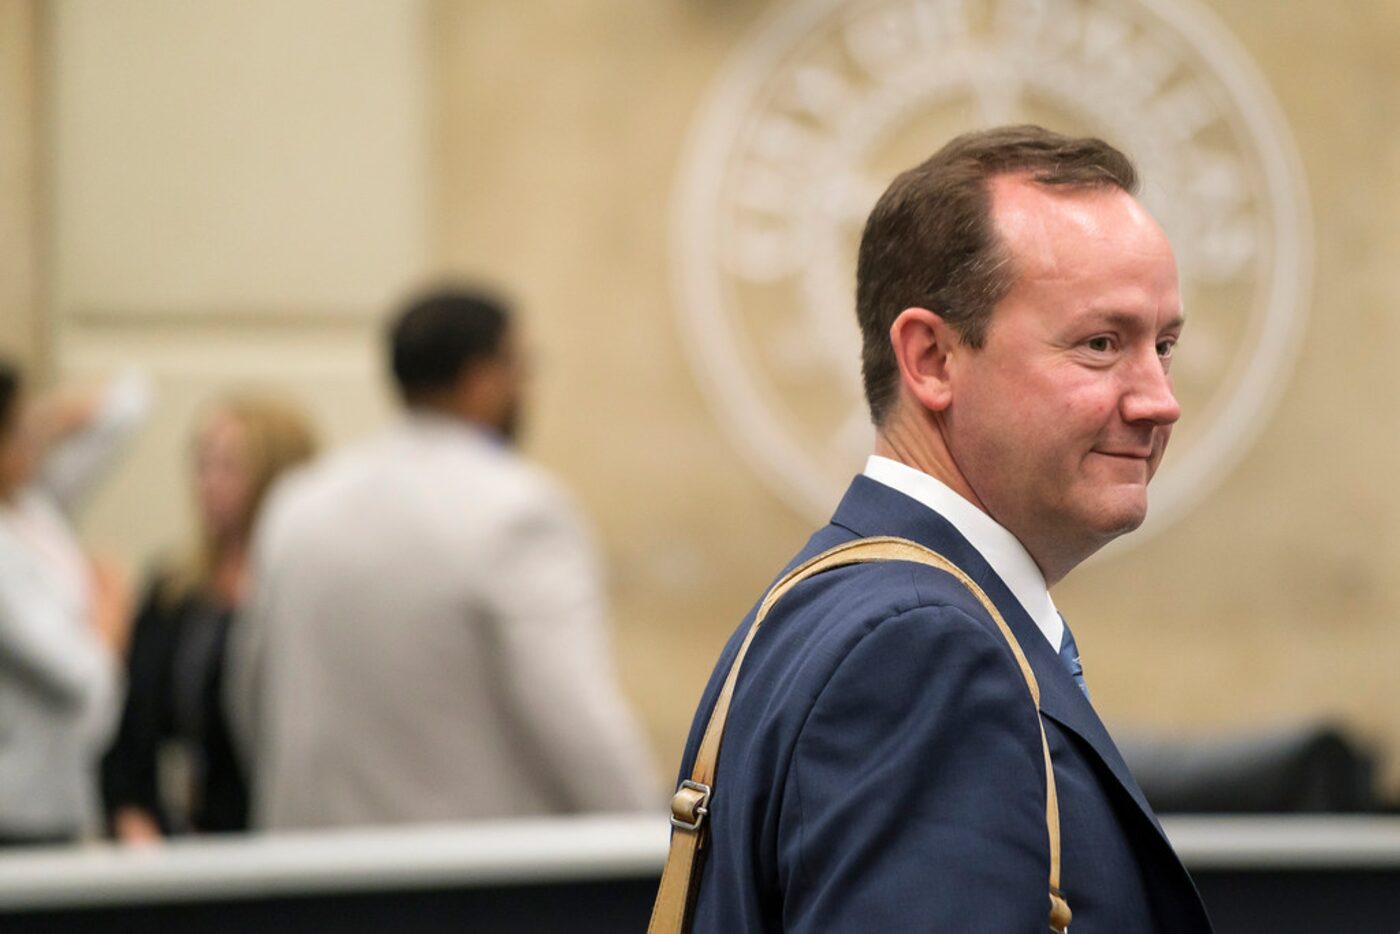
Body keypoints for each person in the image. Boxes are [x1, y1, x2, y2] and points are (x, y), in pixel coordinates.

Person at [664, 127, 1213, 931]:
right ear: (930, 360)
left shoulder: (827, 608)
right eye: (1102, 344)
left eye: (1163, 346)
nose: (1158, 398)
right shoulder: (923, 652)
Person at [226, 287, 659, 830]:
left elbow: (252, 696)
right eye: (521, 368)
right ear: (481, 380)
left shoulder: (299, 503)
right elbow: (575, 720)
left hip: (312, 878)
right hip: (463, 887)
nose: (527, 389)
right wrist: (654, 842)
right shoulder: (519, 512)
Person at [101, 395, 317, 841]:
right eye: (202, 463)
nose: (207, 482)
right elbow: (131, 733)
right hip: (176, 837)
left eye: (229, 467)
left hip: (279, 836)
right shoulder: (173, 591)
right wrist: (134, 822)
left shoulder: (306, 596)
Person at [0, 362, 148, 845]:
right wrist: (110, 618)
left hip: (58, 793)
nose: (34, 440)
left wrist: (51, 415)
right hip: (19, 810)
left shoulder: (34, 504)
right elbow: (82, 675)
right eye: (18, 431)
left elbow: (131, 401)